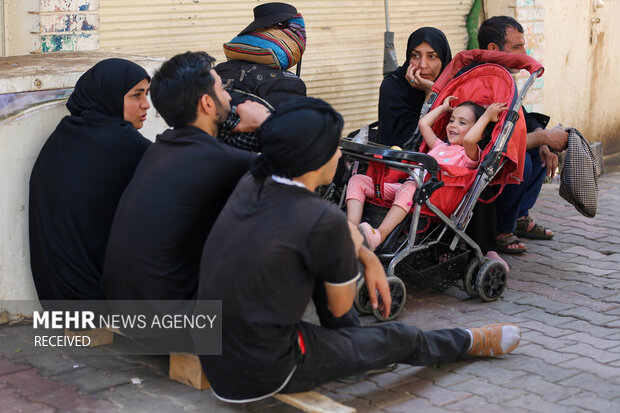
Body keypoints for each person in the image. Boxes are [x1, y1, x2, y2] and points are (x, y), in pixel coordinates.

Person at [194, 97, 522, 403]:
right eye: (334, 147)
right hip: (263, 372)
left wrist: (368, 257)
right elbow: (338, 307)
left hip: (216, 351)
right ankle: (467, 340)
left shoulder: (253, 182)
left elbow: (332, 244)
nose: (339, 155)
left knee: (329, 268)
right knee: (400, 337)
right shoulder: (321, 219)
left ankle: (358, 353)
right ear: (315, 156)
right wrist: (348, 258)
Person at [101, 52, 270, 311]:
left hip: (125, 310)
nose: (229, 98)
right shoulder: (224, 161)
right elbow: (306, 159)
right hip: (171, 323)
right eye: (222, 90)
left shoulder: (161, 147)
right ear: (207, 104)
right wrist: (266, 122)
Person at [29, 58, 152, 302]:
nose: (146, 105)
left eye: (146, 94)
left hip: (55, 294)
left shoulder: (64, 134)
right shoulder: (127, 146)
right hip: (97, 296)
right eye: (136, 96)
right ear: (110, 96)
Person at [348, 97, 507, 255]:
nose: (453, 125)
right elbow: (423, 124)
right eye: (451, 120)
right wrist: (444, 108)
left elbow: (469, 139)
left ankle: (379, 235)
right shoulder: (439, 146)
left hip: (433, 198)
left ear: (479, 133)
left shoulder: (469, 153)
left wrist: (487, 116)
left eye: (462, 122)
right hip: (409, 190)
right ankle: (351, 231)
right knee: (358, 180)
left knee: (410, 187)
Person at [478, 16, 569, 253]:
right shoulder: (484, 80)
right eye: (517, 47)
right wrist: (545, 137)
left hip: (499, 151)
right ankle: (500, 229)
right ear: (493, 49)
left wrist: (540, 134)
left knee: (541, 154)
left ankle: (518, 217)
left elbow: (520, 115)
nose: (524, 52)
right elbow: (497, 141)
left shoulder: (506, 77)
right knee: (522, 162)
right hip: (481, 158)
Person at [215, 2, 306, 151]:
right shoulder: (287, 82)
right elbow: (292, 140)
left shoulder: (220, 70)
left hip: (216, 154)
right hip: (257, 167)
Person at [377, 27, 452, 147]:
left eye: (431, 56)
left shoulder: (454, 86)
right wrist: (431, 95)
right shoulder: (393, 86)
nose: (422, 65)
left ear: (443, 59)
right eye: (416, 56)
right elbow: (407, 142)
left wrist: (440, 92)